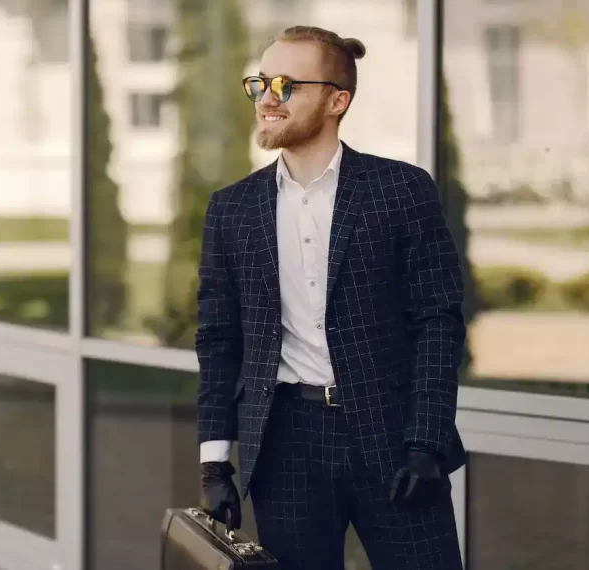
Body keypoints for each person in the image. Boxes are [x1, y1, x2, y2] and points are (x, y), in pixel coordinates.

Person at [195, 25, 466, 570]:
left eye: (287, 85)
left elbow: (438, 321)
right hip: (285, 444)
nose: (268, 98)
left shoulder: (401, 190)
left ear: (337, 100)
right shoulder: (232, 210)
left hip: (393, 435)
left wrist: (427, 442)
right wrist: (215, 464)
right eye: (260, 83)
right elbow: (219, 339)